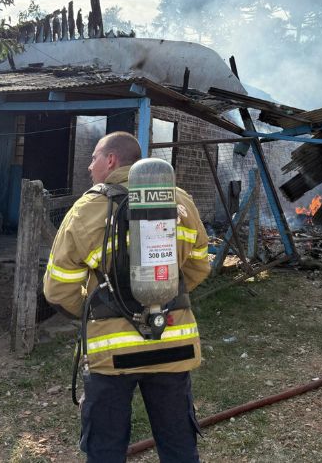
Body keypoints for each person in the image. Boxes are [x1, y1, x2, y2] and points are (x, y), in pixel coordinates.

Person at [43, 131, 212, 462]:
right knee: (179, 446)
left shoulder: (86, 209)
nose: (90, 166)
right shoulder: (180, 202)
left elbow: (58, 288)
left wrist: (101, 310)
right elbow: (199, 266)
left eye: (93, 158)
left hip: (112, 354)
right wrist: (162, 297)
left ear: (110, 160)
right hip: (171, 343)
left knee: (105, 448)